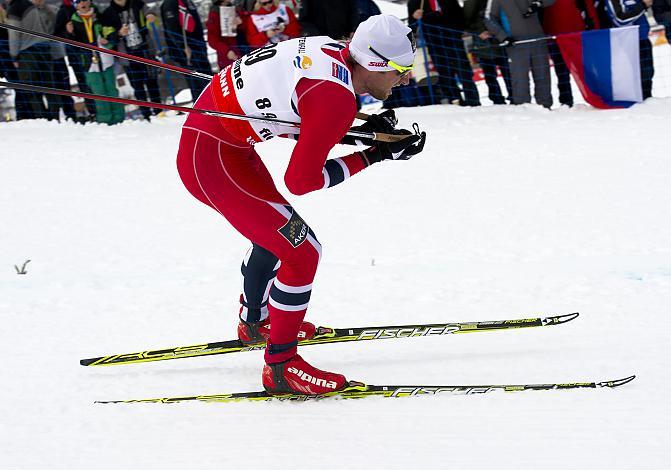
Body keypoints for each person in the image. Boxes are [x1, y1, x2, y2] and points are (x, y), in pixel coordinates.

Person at [175, 14, 426, 395]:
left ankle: (256, 324)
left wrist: (368, 130)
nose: (407, 79)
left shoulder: (331, 50)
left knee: (276, 234)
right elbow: (302, 180)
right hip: (215, 162)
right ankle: (281, 366)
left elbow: (306, 109)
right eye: (400, 71)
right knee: (303, 251)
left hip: (219, 147)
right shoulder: (335, 97)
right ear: (374, 64)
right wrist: (374, 156)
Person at [408, 0, 481, 106]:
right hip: (435, 43)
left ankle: (474, 101)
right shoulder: (415, 2)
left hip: (453, 39)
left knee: (464, 71)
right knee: (445, 74)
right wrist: (414, 17)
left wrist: (457, 31)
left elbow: (458, 13)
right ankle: (456, 101)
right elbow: (412, 26)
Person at [484, 0, 555, 108]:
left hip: (538, 39)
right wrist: (503, 37)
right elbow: (489, 18)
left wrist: (539, 3)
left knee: (543, 75)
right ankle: (523, 108)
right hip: (516, 43)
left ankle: (545, 105)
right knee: (520, 78)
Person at [66, 0, 125, 124]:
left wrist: (108, 39)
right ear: (75, 5)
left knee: (111, 89)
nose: (83, 4)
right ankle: (105, 119)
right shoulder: (73, 22)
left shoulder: (100, 17)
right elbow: (73, 47)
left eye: (85, 0)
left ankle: (119, 118)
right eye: (78, 1)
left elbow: (111, 34)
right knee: (98, 92)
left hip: (105, 59)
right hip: (88, 62)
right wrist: (70, 33)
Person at [101, 0, 162, 120]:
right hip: (126, 55)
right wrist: (118, 33)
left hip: (145, 50)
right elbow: (107, 34)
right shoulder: (108, 13)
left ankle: (159, 111)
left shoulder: (138, 4)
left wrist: (151, 16)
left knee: (152, 81)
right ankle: (146, 114)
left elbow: (150, 13)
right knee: (137, 85)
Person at [542, 0, 600, 107]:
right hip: (557, 35)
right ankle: (566, 100)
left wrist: (593, 28)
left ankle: (595, 95)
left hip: (576, 34)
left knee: (584, 69)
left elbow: (589, 7)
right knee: (562, 72)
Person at [6, 0, 58, 119]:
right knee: (49, 86)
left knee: (31, 89)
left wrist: (14, 55)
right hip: (44, 48)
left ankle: (42, 118)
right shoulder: (30, 4)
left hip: (28, 53)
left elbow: (14, 34)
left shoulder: (14, 9)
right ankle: (55, 117)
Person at [160, 0, 212, 101]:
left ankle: (212, 101)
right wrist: (183, 46)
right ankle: (202, 107)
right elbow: (172, 29)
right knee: (196, 82)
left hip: (198, 45)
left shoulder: (187, 1)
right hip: (186, 50)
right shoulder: (170, 3)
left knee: (206, 76)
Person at [463, 0, 512, 104]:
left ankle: (509, 96)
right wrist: (479, 31)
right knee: (492, 71)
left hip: (501, 35)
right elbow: (467, 18)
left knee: (506, 69)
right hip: (485, 38)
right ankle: (498, 98)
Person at [607, 0, 654, 99]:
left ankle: (648, 101)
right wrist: (643, 5)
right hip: (629, 42)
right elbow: (619, 19)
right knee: (637, 76)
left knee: (648, 75)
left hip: (643, 38)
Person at [206, 0, 243, 70]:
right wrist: (226, 51)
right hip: (228, 57)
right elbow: (212, 39)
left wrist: (240, 24)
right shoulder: (214, 13)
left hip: (241, 50)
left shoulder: (234, 7)